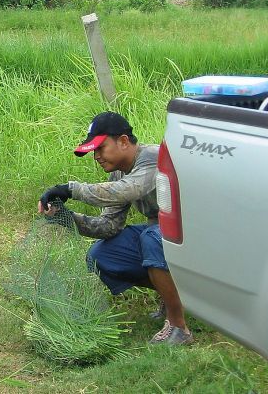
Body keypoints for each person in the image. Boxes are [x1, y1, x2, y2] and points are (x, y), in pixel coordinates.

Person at [37, 111, 192, 345]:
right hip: (166, 236)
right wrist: (65, 217)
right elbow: (108, 226)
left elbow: (128, 190)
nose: (96, 156)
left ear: (123, 141)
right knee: (101, 255)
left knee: (151, 237)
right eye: (93, 151)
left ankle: (179, 327)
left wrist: (70, 189)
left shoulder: (152, 157)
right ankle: (172, 296)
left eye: (101, 148)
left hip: (193, 236)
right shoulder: (120, 171)